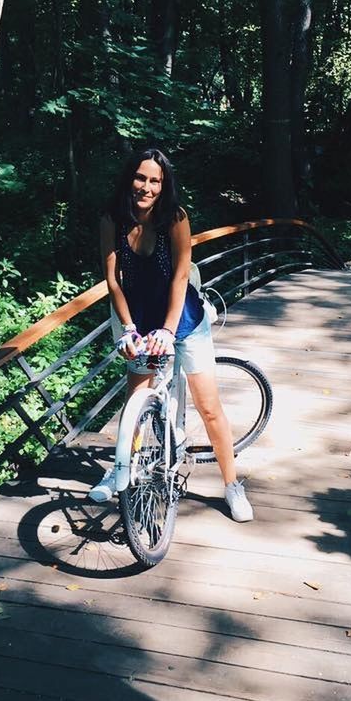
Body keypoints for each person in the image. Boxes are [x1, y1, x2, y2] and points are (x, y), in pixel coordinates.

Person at [87, 147, 254, 522]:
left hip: (183, 318)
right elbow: (113, 281)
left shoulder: (174, 218)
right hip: (139, 317)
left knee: (209, 407)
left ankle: (232, 486)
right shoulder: (112, 218)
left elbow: (181, 276)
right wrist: (128, 328)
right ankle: (119, 470)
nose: (146, 187)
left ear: (164, 186)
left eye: (155, 181)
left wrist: (168, 328)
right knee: (135, 401)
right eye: (140, 177)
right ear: (130, 178)